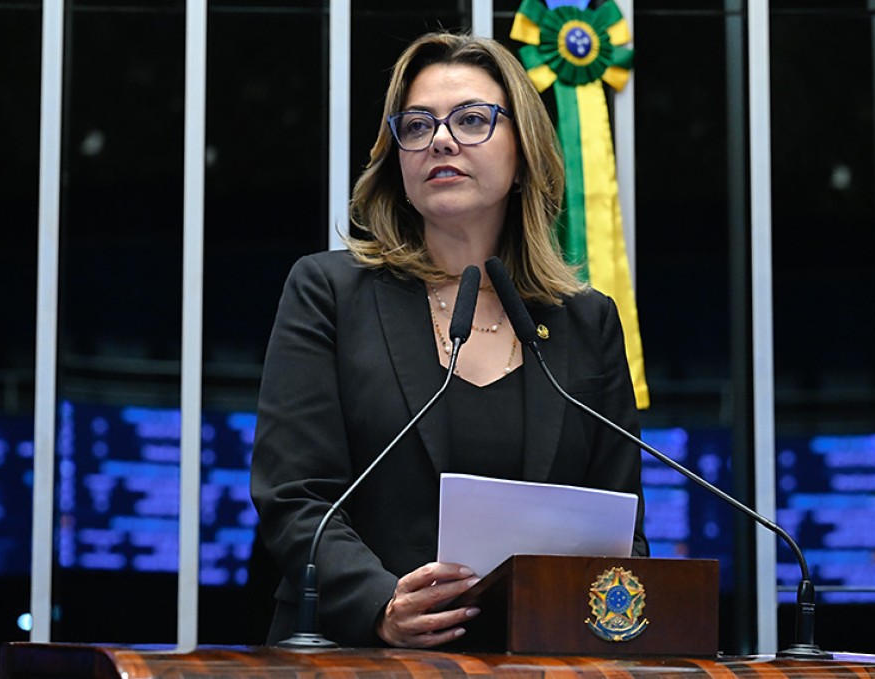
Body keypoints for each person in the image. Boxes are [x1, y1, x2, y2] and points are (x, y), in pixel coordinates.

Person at [250, 31, 648, 650]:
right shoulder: (330, 292)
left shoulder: (586, 322)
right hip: (355, 653)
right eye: (417, 125)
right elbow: (295, 495)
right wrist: (380, 605)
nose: (440, 139)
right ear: (397, 159)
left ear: (524, 152)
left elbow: (620, 530)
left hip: (537, 659)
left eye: (471, 120)